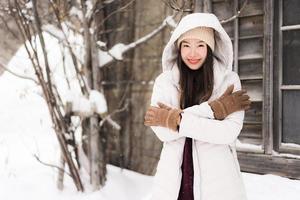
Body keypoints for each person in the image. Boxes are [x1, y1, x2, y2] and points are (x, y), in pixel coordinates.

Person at [144, 13, 251, 200]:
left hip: (219, 181)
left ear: (209, 47)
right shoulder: (165, 82)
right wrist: (214, 110)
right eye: (186, 45)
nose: (192, 53)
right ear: (178, 48)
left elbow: (228, 132)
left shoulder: (229, 81)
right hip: (173, 180)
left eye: (200, 45)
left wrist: (176, 119)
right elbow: (163, 133)